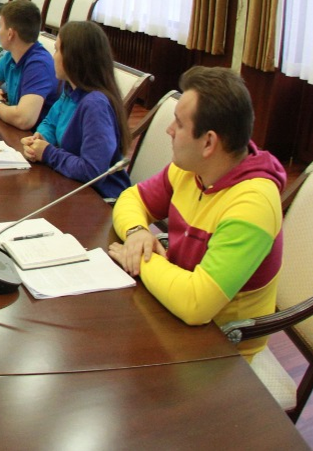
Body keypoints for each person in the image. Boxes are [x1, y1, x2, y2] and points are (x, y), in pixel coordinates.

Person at [109, 66, 285, 359]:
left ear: (209, 142)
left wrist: (141, 258)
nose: (169, 130)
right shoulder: (192, 170)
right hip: (172, 316)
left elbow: (195, 304)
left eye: (179, 124)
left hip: (223, 350)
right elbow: (131, 198)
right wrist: (137, 232)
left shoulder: (253, 205)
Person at [20, 21, 131, 199]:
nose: (53, 56)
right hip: (71, 186)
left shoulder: (95, 105)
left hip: (100, 200)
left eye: (57, 50)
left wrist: (48, 153)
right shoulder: (70, 90)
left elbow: (93, 172)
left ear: (73, 58)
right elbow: (50, 122)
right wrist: (40, 139)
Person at [0, 0, 59, 130]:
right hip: (15, 131)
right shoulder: (12, 56)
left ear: (10, 34)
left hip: (34, 137)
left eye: (0, 26)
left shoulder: (39, 65)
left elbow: (24, 119)